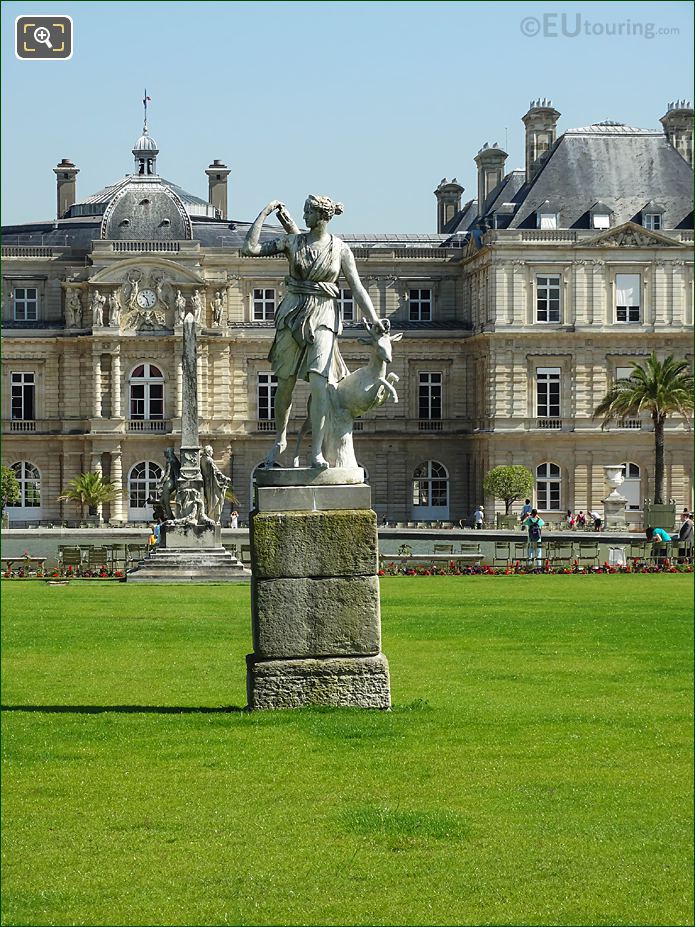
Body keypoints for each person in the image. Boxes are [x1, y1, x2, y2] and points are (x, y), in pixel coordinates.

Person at [243, 195, 386, 469]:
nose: (304, 215)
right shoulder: (292, 242)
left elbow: (356, 288)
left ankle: (316, 452)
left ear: (321, 216)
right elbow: (250, 248)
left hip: (324, 315)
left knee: (320, 386)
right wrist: (264, 212)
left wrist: (375, 320)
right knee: (284, 383)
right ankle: (280, 439)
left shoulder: (341, 249)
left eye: (308, 211)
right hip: (292, 314)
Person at [200, 445, 233, 524]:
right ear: (208, 452)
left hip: (207, 483)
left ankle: (211, 517)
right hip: (213, 484)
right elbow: (216, 471)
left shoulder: (201, 459)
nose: (212, 452)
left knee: (210, 501)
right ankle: (214, 519)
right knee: (217, 500)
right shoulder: (209, 460)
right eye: (211, 451)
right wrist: (225, 478)